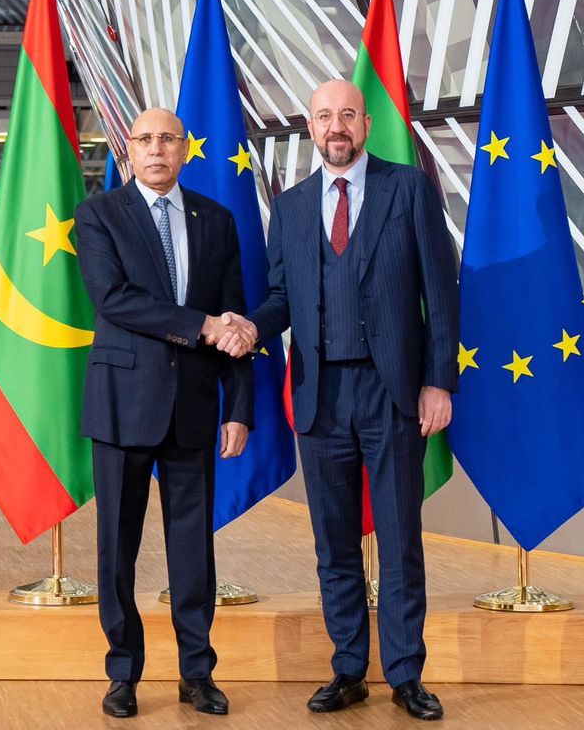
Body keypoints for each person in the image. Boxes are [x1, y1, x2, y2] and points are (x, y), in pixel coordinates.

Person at [219, 79, 459, 721]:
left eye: (347, 115)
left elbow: (441, 291)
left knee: (400, 539)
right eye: (324, 116)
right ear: (310, 126)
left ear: (366, 123)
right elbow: (280, 298)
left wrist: (438, 381)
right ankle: (349, 669)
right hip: (319, 397)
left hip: (393, 393)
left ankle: (405, 674)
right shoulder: (292, 206)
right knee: (334, 543)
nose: (336, 127)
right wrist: (251, 328)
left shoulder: (409, 189)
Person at [74, 107, 254, 719]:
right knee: (117, 546)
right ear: (129, 148)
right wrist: (200, 325)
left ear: (184, 149)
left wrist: (240, 408)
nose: (156, 149)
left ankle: (197, 672)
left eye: (168, 139)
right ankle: (123, 672)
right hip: (123, 404)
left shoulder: (216, 220)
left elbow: (235, 318)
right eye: (146, 139)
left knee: (193, 549)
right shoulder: (99, 214)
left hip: (195, 406)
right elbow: (114, 299)